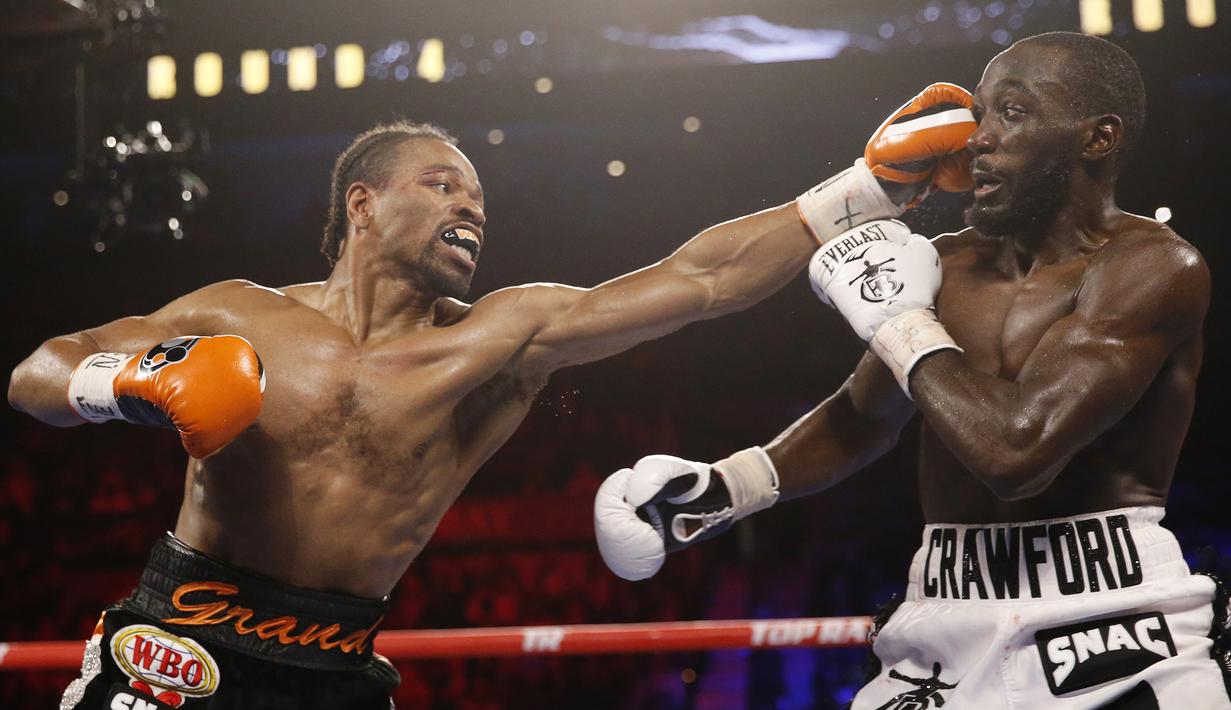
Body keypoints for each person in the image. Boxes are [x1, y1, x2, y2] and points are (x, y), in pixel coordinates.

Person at [8, 89, 975, 707]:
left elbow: (699, 280)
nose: (471, 208)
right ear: (363, 204)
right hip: (177, 643)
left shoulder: (498, 338)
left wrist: (862, 188)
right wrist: (125, 383)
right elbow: (39, 371)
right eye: (442, 186)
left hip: (333, 670)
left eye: (477, 199)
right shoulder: (238, 313)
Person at [595, 32, 1230, 708]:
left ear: (1096, 139)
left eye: (1011, 113)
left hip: (1113, 623)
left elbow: (1018, 452)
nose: (976, 138)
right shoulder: (946, 263)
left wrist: (900, 324)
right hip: (943, 624)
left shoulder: (1152, 267)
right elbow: (863, 418)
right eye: (978, 113)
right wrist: (727, 488)